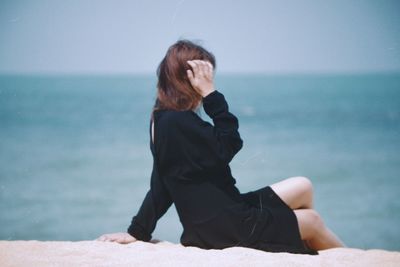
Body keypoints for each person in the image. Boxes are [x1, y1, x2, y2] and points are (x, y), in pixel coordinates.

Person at [96, 40, 345, 254]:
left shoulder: (161, 119)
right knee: (312, 221)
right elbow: (230, 144)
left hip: (224, 215)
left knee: (303, 186)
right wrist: (211, 94)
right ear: (190, 78)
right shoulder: (180, 122)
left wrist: (138, 231)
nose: (209, 79)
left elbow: (162, 182)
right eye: (206, 75)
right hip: (226, 228)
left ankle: (297, 244)